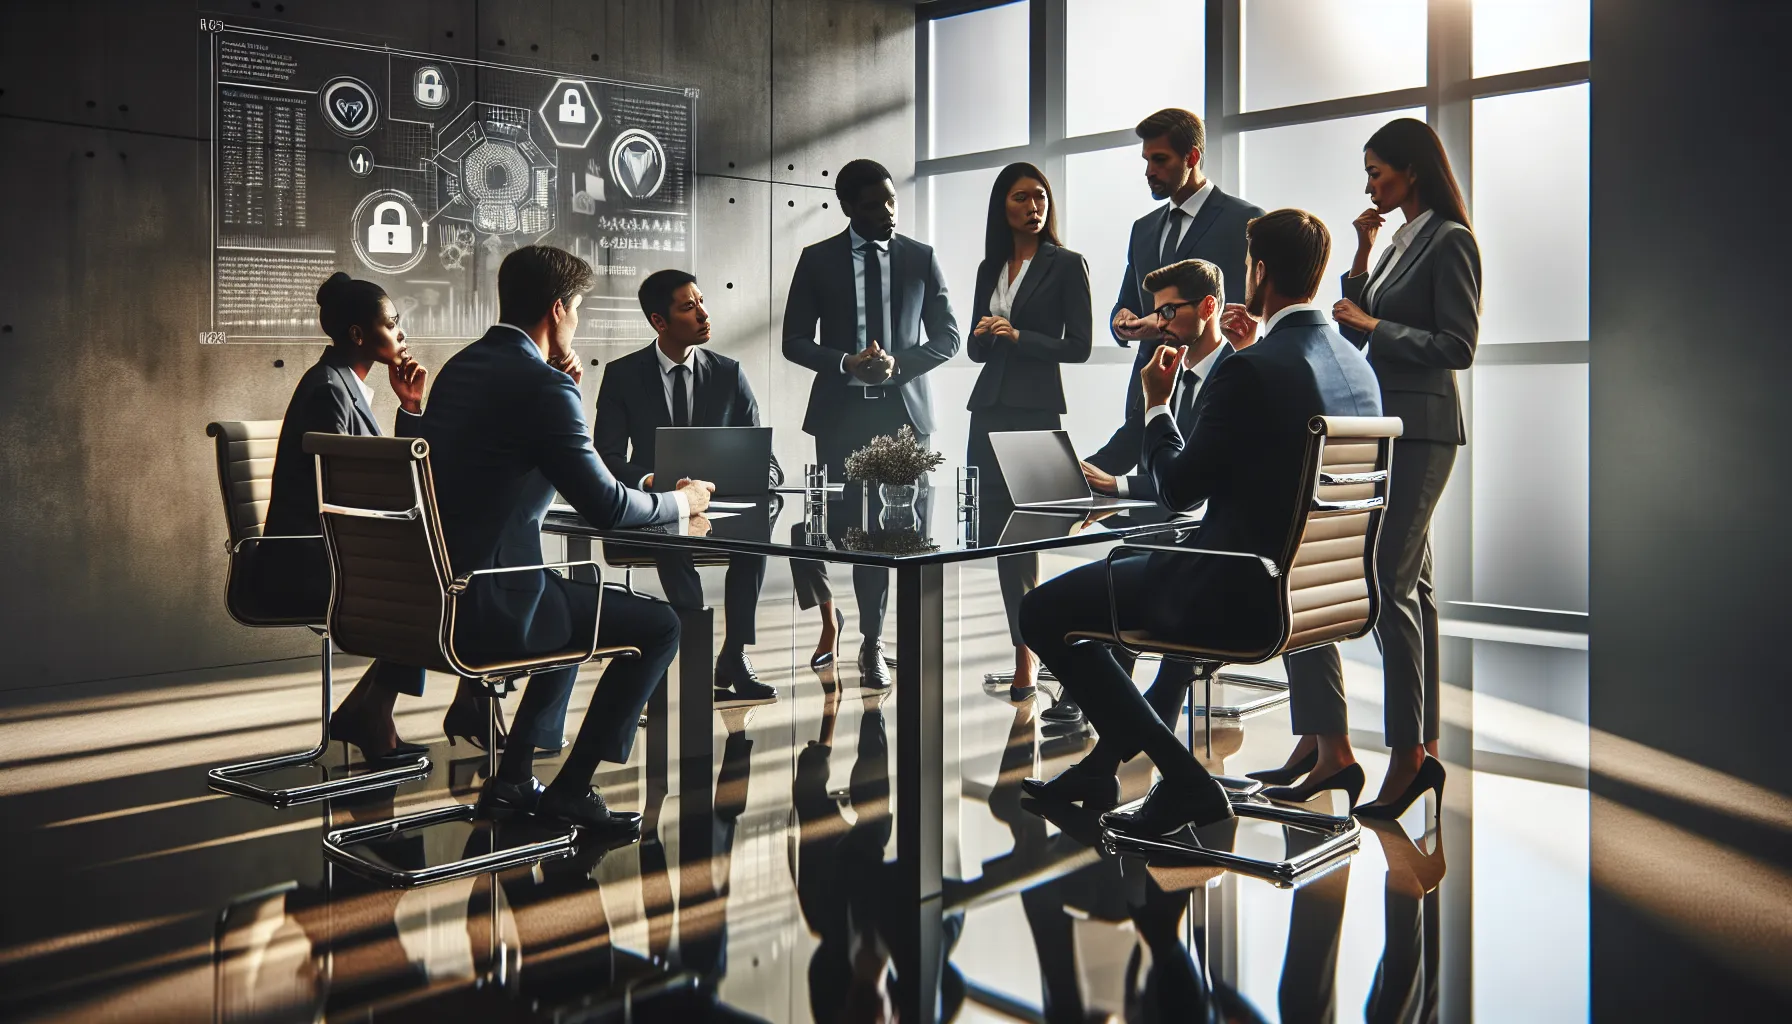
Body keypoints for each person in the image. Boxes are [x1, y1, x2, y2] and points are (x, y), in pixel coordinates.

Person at [1018, 209, 1382, 837]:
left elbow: (1182, 488)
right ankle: (1103, 767)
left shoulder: (1253, 366)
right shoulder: (1357, 368)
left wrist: (1158, 407)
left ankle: (1186, 782)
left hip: (1235, 588)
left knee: (1043, 613)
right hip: (1323, 592)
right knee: (1131, 581)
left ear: (1259, 270)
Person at [420, 245, 715, 840]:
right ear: (558, 309)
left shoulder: (460, 368)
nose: (576, 322)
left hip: (434, 595)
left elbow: (500, 475)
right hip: (494, 605)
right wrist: (680, 503)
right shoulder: (542, 387)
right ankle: (573, 789)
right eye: (577, 310)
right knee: (660, 626)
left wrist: (560, 397)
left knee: (574, 600)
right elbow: (606, 504)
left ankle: (516, 777)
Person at [1253, 118, 1480, 819]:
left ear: (1412, 170)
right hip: (1390, 426)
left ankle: (1409, 758)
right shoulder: (1400, 239)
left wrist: (1379, 327)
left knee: (1387, 582)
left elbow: (1457, 345)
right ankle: (1419, 748)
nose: (1370, 183)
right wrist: (1362, 247)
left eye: (1378, 171)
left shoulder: (1451, 240)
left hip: (1424, 431)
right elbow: (1357, 319)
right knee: (1418, 591)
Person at [782, 158, 961, 689]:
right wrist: (845, 363)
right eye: (872, 204)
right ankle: (835, 621)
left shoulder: (921, 258)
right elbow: (794, 339)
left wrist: (899, 364)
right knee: (843, 531)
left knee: (894, 536)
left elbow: (948, 335)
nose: (886, 211)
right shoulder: (817, 260)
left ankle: (873, 645)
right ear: (846, 207)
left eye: (890, 199)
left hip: (904, 416)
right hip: (843, 415)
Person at [593, 269, 802, 707]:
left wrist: (749, 478)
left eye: (702, 301)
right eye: (689, 307)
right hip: (658, 506)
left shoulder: (729, 373)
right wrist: (655, 484)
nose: (705, 314)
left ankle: (733, 654)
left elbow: (767, 459)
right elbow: (606, 458)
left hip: (720, 506)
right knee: (672, 533)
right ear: (659, 321)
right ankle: (695, 648)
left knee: (755, 537)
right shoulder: (623, 375)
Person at [254, 272, 430, 764]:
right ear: (358, 334)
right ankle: (372, 714)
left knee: (433, 578)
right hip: (306, 564)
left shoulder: (341, 384)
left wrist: (410, 407)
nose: (402, 335)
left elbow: (372, 478)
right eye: (392, 324)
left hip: (327, 553)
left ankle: (371, 712)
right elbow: (351, 489)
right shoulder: (330, 390)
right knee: (432, 586)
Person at [964, 162, 1092, 702]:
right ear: (1003, 206)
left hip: (1036, 410)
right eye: (1021, 198)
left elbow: (1079, 346)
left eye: (1040, 196)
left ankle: (1062, 644)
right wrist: (986, 334)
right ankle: (1026, 657)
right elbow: (972, 349)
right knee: (1001, 540)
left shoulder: (1067, 265)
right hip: (989, 411)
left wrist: (1019, 335)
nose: (1034, 206)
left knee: (1041, 532)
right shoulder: (989, 266)